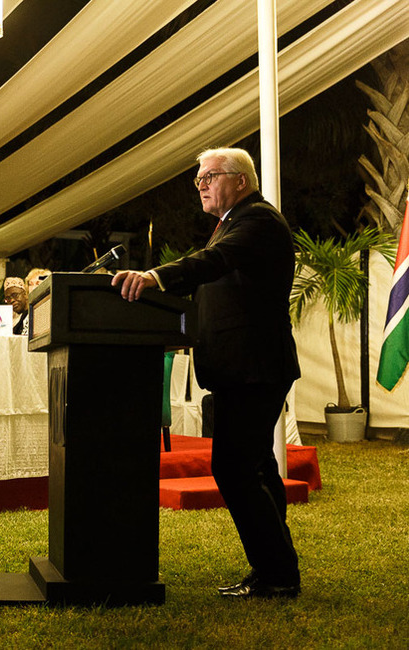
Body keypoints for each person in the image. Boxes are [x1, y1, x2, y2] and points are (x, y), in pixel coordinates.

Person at [111, 147, 301, 599]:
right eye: (198, 180)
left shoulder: (257, 221)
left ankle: (277, 573)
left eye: (209, 177)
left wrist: (155, 277)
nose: (201, 186)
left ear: (240, 180)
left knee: (234, 468)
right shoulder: (230, 224)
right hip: (242, 367)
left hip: (254, 367)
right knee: (256, 468)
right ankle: (276, 570)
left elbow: (208, 264)